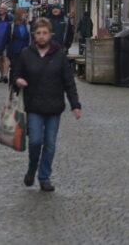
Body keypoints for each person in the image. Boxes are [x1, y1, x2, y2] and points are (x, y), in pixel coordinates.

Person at [13, 18, 82, 192]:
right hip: (34, 105)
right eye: (38, 33)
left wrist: (75, 104)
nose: (42, 37)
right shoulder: (26, 54)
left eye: (45, 33)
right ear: (34, 35)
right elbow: (15, 73)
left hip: (54, 106)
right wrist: (18, 80)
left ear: (50, 35)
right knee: (35, 141)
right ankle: (32, 167)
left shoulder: (59, 55)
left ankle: (44, 177)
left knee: (50, 143)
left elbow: (69, 81)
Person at [6, 8, 31, 85]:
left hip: (26, 51)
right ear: (19, 15)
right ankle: (12, 88)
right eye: (24, 13)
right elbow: (7, 39)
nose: (26, 15)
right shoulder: (12, 25)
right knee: (14, 70)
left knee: (25, 70)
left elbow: (30, 38)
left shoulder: (27, 25)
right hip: (14, 51)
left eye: (26, 14)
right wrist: (6, 53)